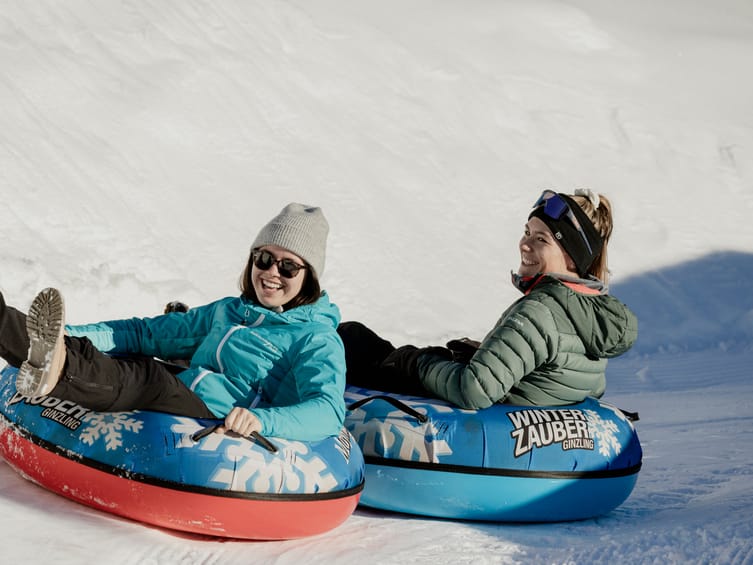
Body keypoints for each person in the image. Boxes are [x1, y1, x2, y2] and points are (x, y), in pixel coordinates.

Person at [0, 203, 346, 442]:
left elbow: (328, 410)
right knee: (129, 356)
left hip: (221, 415)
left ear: (309, 277)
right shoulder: (230, 311)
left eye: (288, 267)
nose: (272, 272)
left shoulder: (315, 337)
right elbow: (147, 333)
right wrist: (69, 335)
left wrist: (262, 420)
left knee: (149, 379)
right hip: (191, 390)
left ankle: (57, 371)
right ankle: (21, 331)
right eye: (265, 258)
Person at [339, 189, 638, 409]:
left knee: (351, 338)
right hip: (524, 418)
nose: (524, 244)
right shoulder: (592, 313)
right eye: (527, 232)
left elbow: (474, 389)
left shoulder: (540, 310)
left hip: (473, 420)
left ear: (572, 259)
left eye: (541, 239)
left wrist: (417, 363)